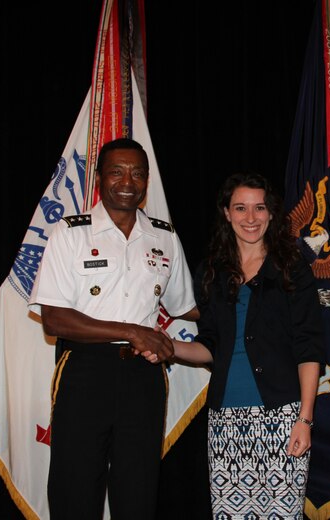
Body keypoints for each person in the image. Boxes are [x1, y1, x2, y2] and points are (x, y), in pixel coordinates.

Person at [28, 137, 199, 520]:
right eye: (117, 171)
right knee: (75, 489)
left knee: (138, 492)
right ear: (100, 177)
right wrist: (133, 330)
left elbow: (188, 308)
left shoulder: (164, 237)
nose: (128, 181)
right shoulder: (70, 234)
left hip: (144, 376)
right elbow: (54, 319)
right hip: (85, 371)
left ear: (147, 181)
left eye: (138, 173)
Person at [157, 172, 325, 519]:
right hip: (225, 421)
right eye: (241, 208)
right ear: (226, 213)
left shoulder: (292, 267)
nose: (251, 218)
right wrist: (167, 347)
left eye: (259, 208)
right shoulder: (211, 272)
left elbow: (309, 347)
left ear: (271, 213)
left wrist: (304, 420)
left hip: (283, 417)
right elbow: (210, 347)